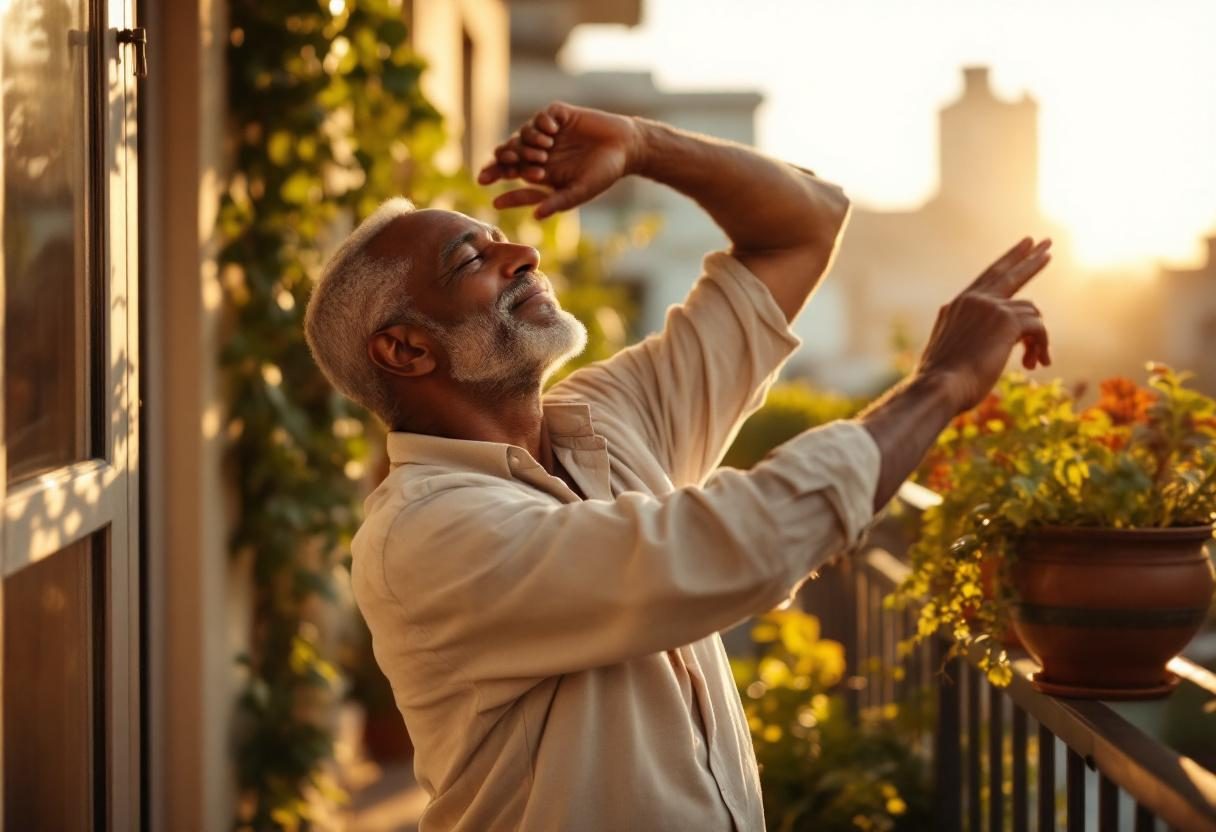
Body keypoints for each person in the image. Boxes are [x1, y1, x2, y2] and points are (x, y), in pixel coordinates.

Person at [303, 101, 1052, 832]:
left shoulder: (607, 414)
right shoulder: (423, 535)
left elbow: (806, 226)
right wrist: (940, 385)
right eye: (472, 259)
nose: (523, 256)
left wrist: (643, 146)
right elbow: (737, 543)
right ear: (406, 349)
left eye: (501, 239)